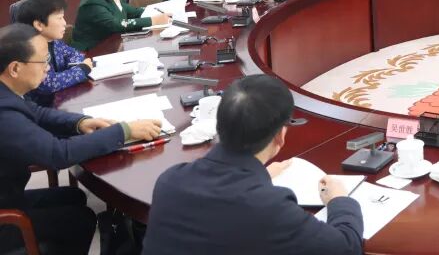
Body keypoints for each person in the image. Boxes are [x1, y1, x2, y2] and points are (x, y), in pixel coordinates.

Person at [142, 74, 364, 255]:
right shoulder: (270, 208)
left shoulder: (170, 181)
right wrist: (339, 200)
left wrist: (261, 177)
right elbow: (346, 247)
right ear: (280, 136)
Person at [0, 24, 162, 255]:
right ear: (15, 68)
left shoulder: (6, 92)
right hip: (4, 217)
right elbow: (57, 154)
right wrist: (123, 132)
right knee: (80, 219)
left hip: (9, 194)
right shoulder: (4, 114)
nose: (48, 68)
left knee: (73, 196)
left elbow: (37, 113)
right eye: (43, 61)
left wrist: (80, 122)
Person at [12, 0, 91, 107]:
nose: (65, 23)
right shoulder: (29, 50)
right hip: (39, 110)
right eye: (59, 18)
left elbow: (73, 53)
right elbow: (48, 84)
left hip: (59, 101)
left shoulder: (53, 41)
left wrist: (74, 65)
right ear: (39, 25)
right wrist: (81, 70)